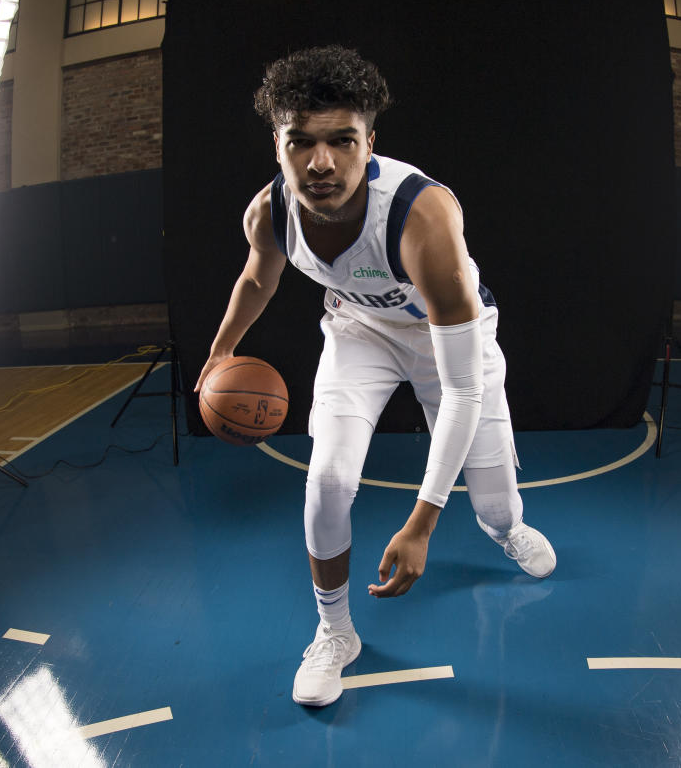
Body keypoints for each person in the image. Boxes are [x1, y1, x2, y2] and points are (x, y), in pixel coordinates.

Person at [196, 45, 555, 708]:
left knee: (494, 503)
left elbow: (463, 389)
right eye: (300, 141)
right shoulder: (268, 213)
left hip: (451, 344)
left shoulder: (422, 217)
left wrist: (420, 524)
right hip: (360, 332)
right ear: (277, 144)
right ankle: (335, 633)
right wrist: (219, 354)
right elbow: (257, 277)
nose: (321, 161)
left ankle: (504, 527)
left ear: (370, 143)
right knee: (327, 479)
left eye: (342, 140)